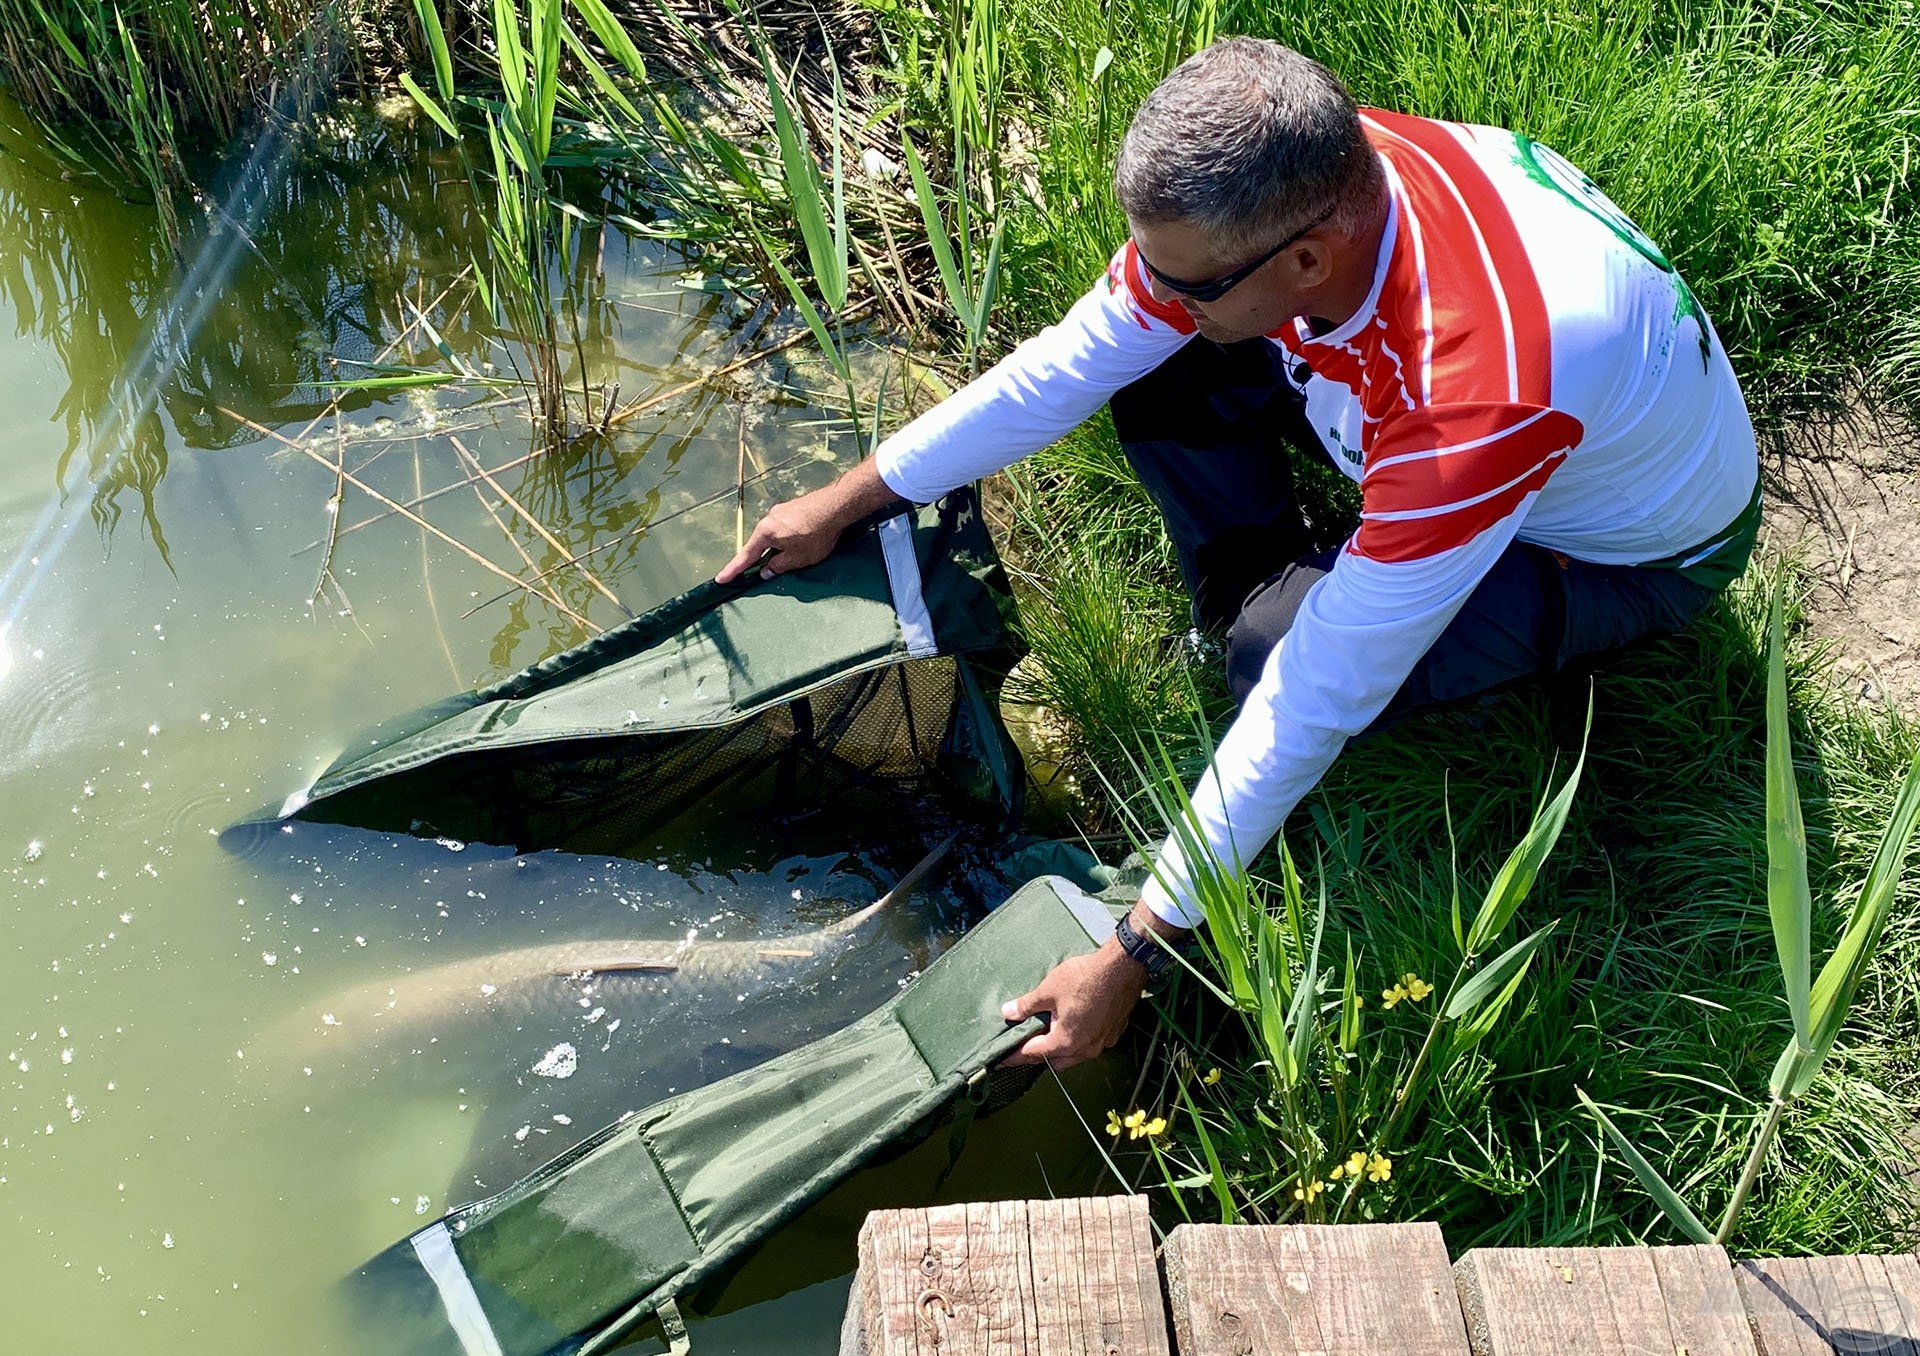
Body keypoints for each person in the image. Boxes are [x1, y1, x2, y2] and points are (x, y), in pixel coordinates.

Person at [715, 38, 1760, 1069]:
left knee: (1276, 654)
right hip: (1472, 421)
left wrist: (1133, 948)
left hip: (1626, 559)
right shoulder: (1326, 180)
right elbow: (1069, 365)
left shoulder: (1474, 393)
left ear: (1305, 260)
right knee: (1160, 368)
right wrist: (848, 500)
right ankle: (1263, 570)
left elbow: (1324, 688)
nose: (1165, 297)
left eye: (1194, 285)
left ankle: (1274, 602)